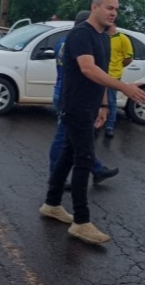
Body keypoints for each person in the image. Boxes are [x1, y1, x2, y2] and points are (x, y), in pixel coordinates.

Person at [39, 0, 145, 244]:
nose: (114, 13)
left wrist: (103, 104)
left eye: (117, 9)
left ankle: (52, 203)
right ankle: (81, 221)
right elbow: (87, 69)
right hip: (75, 106)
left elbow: (101, 72)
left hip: (89, 106)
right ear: (95, 7)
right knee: (84, 159)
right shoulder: (80, 35)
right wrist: (124, 88)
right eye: (109, 8)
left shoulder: (104, 38)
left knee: (68, 154)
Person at [48, 11, 119, 188]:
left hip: (61, 91)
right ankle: (55, 177)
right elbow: (89, 70)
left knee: (76, 138)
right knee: (65, 138)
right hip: (73, 96)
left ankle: (96, 169)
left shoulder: (61, 42)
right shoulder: (81, 41)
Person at [103, 21, 134, 139]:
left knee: (111, 100)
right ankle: (97, 123)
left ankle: (109, 126)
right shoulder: (102, 37)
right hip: (101, 73)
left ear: (114, 25)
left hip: (114, 75)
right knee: (99, 100)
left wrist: (118, 66)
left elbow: (128, 58)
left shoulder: (122, 39)